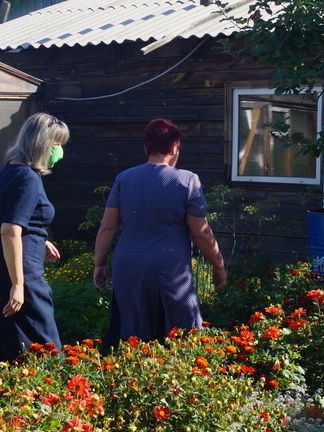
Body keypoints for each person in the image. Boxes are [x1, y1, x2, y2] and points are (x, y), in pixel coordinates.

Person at [93, 118, 226, 345]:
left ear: (146, 147)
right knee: (179, 335)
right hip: (169, 269)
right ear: (175, 147)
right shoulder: (187, 180)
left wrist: (99, 263)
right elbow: (201, 233)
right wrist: (218, 264)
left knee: (131, 334)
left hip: (127, 266)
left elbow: (107, 227)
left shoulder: (123, 179)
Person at [0, 112, 69, 377]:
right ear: (43, 144)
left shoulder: (10, 169)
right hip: (18, 273)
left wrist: (37, 238)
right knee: (43, 349)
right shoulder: (28, 178)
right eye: (57, 144)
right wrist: (18, 285)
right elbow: (9, 230)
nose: (60, 151)